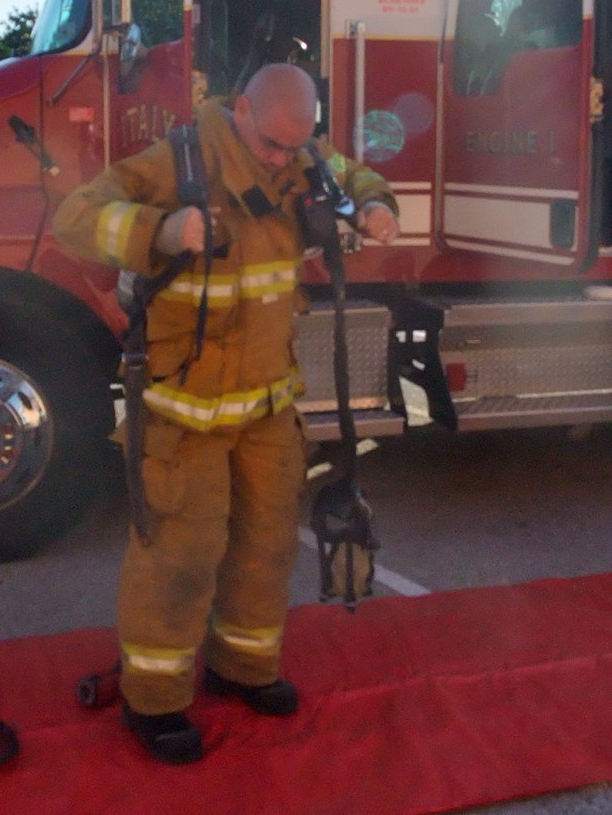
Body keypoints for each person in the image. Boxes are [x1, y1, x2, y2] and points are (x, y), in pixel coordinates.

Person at [52, 64, 399, 764]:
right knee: (180, 555)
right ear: (240, 110)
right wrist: (162, 226)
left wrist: (375, 204)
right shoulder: (177, 159)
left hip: (268, 405)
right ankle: (154, 704)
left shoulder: (304, 156)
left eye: (294, 147)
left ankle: (242, 669)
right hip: (184, 410)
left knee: (267, 546)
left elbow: (354, 175)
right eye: (272, 145)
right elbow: (75, 218)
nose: (283, 159)